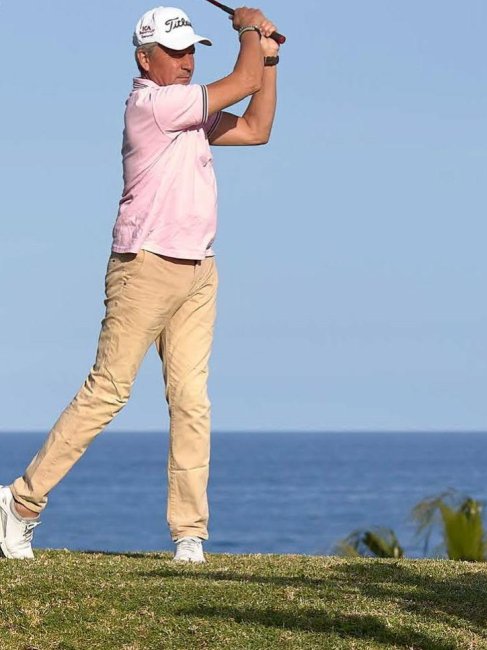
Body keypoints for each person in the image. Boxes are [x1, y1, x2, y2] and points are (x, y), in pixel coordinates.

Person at [0, 6, 281, 563]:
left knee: (192, 401)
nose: (186, 61)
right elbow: (240, 81)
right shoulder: (153, 105)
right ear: (144, 59)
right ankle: (19, 503)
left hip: (199, 269)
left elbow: (255, 129)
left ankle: (189, 535)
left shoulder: (191, 111)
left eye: (190, 50)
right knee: (109, 390)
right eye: (174, 52)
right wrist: (249, 26)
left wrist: (268, 58)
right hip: (145, 265)